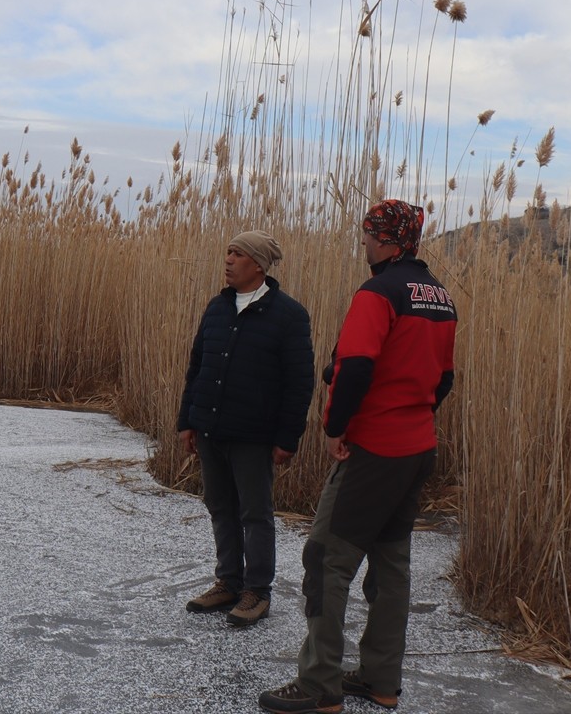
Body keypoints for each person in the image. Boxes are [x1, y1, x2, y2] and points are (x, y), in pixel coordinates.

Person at [259, 200, 458, 714]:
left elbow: (355, 366)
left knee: (326, 559)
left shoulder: (378, 292)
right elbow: (444, 379)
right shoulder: (440, 297)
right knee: (391, 565)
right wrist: (412, 411)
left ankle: (319, 684)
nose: (363, 242)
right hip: (418, 446)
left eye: (368, 234)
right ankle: (380, 680)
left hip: (375, 448)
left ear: (388, 241)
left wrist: (336, 428)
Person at [178, 230, 314, 627]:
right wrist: (188, 420)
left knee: (255, 513)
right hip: (211, 429)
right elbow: (197, 367)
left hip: (253, 435)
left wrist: (287, 437)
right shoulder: (217, 307)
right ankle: (228, 582)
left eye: (237, 253)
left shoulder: (288, 315)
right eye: (228, 251)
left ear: (258, 265)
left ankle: (257, 590)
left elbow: (299, 382)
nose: (228, 259)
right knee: (220, 507)